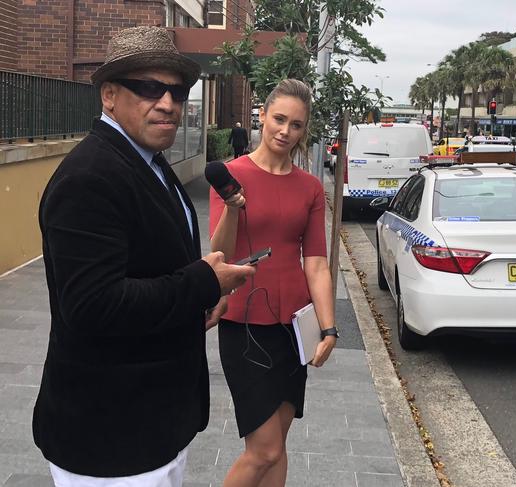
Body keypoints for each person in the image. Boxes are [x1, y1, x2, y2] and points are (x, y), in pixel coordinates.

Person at [32, 26, 256, 486]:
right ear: (109, 95)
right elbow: (94, 306)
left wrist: (199, 292)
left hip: (153, 427)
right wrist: (201, 283)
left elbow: (156, 269)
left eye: (176, 91)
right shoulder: (89, 179)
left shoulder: (148, 163)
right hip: (109, 439)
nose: (168, 103)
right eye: (149, 88)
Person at [209, 79, 338, 487]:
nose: (285, 130)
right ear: (262, 116)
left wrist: (329, 326)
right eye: (279, 119)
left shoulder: (310, 187)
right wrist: (233, 207)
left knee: (279, 444)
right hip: (245, 325)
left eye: (296, 124)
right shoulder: (230, 175)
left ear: (305, 129)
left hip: (294, 328)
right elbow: (219, 254)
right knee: (262, 449)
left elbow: (315, 262)